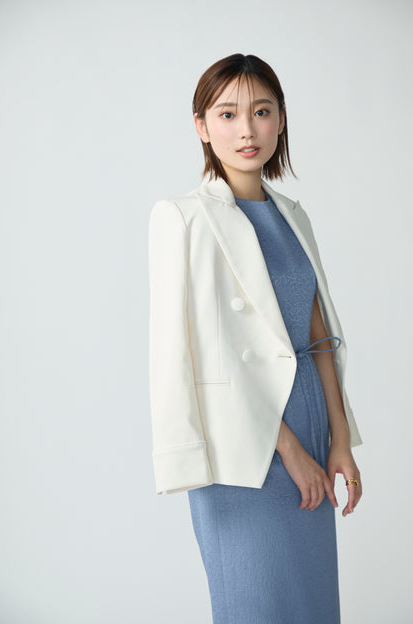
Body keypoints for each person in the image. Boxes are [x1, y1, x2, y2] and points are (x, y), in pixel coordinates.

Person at [148, 53, 363, 623]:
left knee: (311, 606)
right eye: (227, 114)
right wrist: (288, 450)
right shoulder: (182, 218)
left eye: (261, 112)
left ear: (281, 119)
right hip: (241, 441)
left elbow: (319, 335)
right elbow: (192, 353)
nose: (246, 130)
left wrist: (339, 439)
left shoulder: (292, 214)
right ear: (201, 126)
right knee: (255, 604)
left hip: (310, 419)